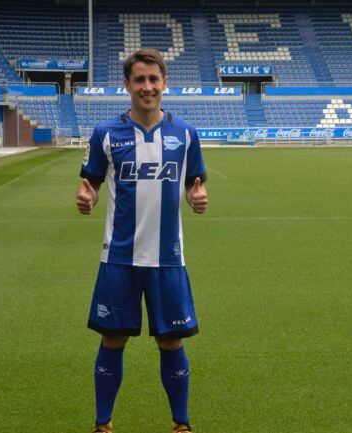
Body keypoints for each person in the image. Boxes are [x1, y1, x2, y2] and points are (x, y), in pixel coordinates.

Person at [76, 48, 208, 433]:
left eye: (153, 79)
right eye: (139, 80)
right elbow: (92, 186)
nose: (147, 87)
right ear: (127, 85)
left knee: (171, 343)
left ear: (164, 83)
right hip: (119, 259)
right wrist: (87, 199)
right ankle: (103, 424)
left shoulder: (185, 134)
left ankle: (181, 424)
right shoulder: (106, 134)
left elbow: (193, 188)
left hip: (168, 259)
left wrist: (197, 199)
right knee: (113, 340)